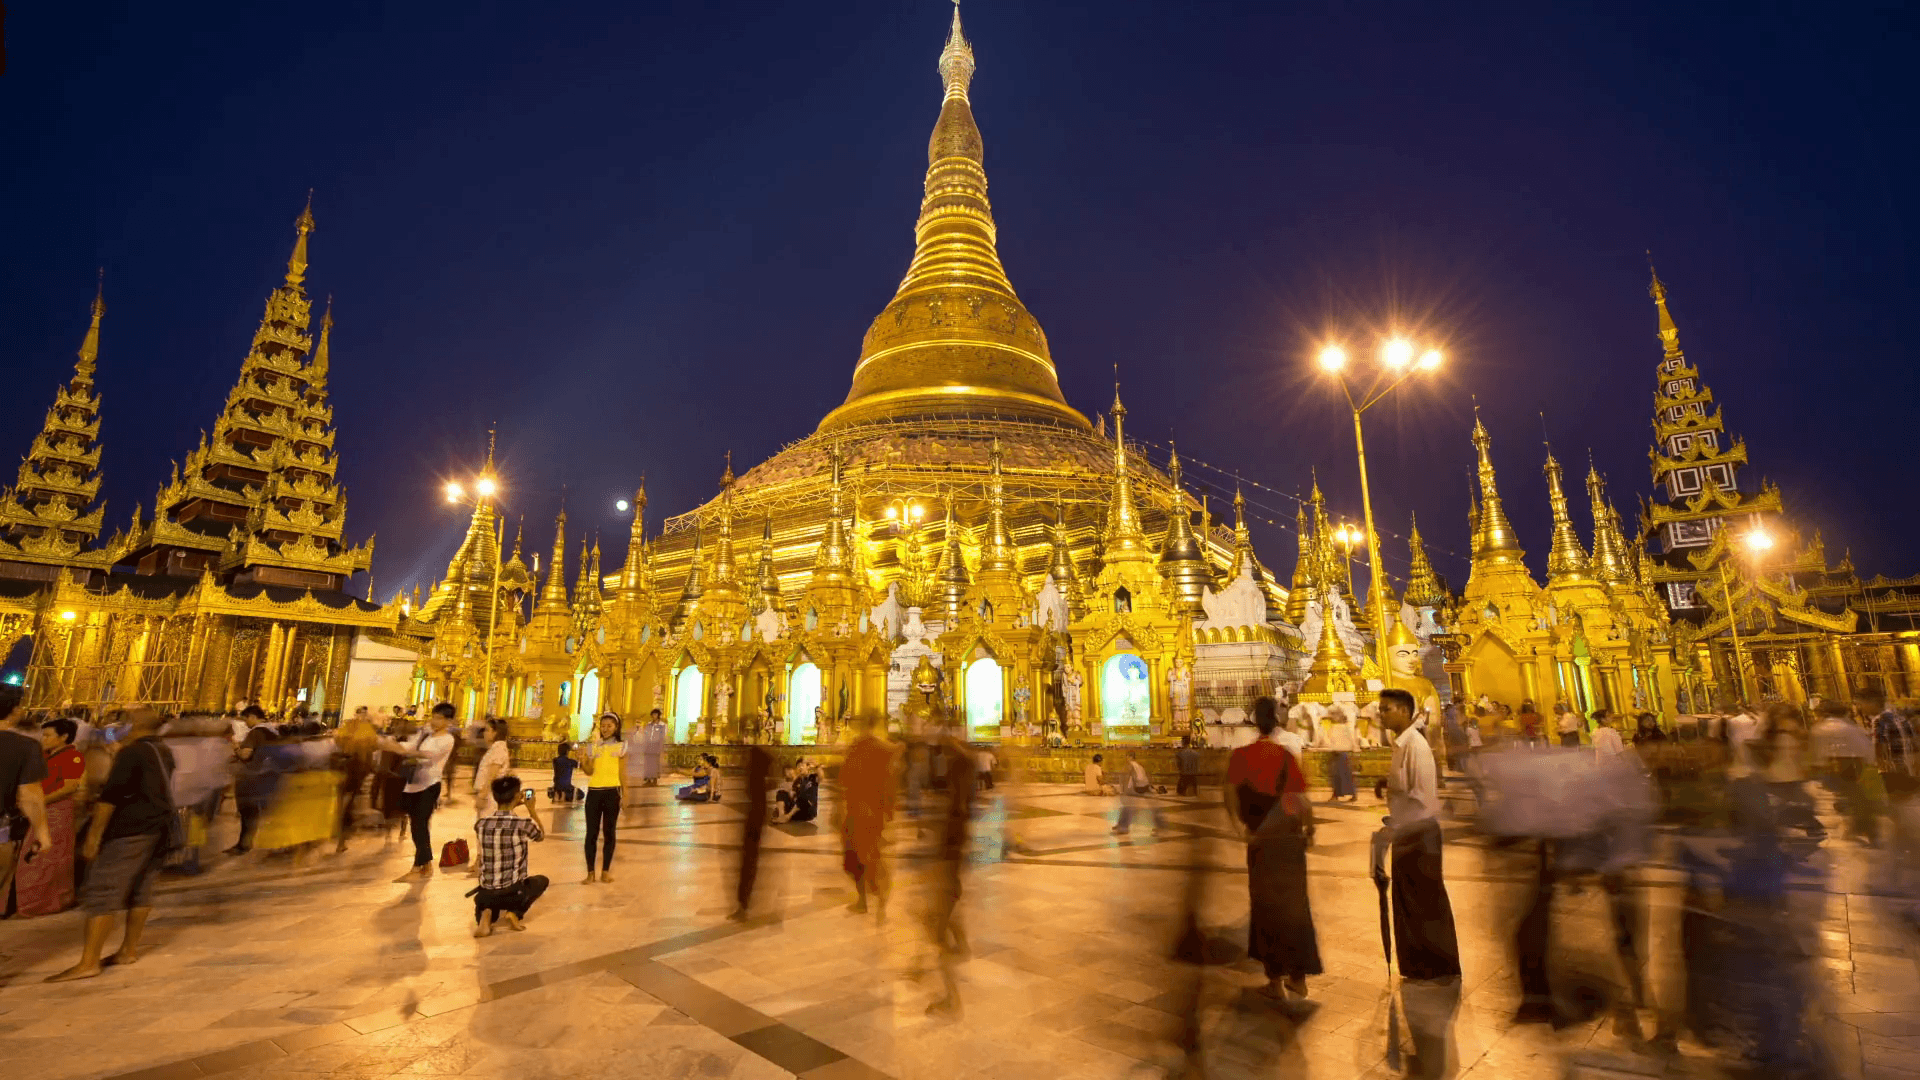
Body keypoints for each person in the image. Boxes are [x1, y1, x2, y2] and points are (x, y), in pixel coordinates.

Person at [47, 708, 173, 982]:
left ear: (134, 725)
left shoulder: (132, 753)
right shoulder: (162, 751)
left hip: (130, 829)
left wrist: (93, 837)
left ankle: (89, 961)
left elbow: (110, 797)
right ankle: (128, 950)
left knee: (103, 890)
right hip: (159, 827)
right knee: (141, 889)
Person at [1224, 695, 1319, 998]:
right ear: (1276, 720)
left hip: (1260, 840)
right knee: (1295, 906)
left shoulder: (1241, 755)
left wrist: (1240, 829)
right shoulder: (1286, 755)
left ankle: (1275, 980)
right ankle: (1299, 977)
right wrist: (1310, 828)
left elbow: (1228, 795)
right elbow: (1302, 800)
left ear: (1254, 721)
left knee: (1265, 906)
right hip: (1289, 840)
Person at [1379, 687, 1460, 979]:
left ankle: (1439, 967)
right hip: (1406, 832)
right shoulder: (1400, 745)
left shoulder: (1416, 745)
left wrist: (1398, 826)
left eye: (1386, 708)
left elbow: (1422, 798)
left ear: (1403, 710)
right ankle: (1419, 965)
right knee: (1409, 902)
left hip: (1419, 833)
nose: (1381, 714)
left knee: (1426, 902)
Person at [13, 718, 85, 915]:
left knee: (48, 856)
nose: (43, 739)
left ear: (64, 737)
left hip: (57, 809)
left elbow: (70, 786)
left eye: (48, 735)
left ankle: (47, 903)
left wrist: (42, 800)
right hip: (42, 808)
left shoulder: (73, 756)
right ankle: (35, 902)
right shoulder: (45, 756)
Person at [471, 775, 548, 937]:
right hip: (513, 893)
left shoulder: (481, 825)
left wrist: (511, 803)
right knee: (541, 881)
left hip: (485, 894)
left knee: (484, 901)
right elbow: (540, 835)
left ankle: (485, 916)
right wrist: (531, 809)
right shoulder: (523, 825)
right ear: (517, 796)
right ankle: (514, 913)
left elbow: (499, 822)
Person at [392, 704, 456, 884]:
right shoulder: (425, 734)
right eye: (434, 717)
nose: (434, 721)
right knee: (417, 826)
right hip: (413, 784)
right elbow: (410, 745)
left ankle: (417, 867)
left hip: (430, 785)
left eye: (439, 718)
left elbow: (428, 755)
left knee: (419, 825)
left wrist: (407, 750)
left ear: (448, 721)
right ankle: (426, 864)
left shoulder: (447, 739)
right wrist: (394, 745)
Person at [838, 714, 893, 914]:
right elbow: (890, 779)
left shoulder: (857, 747)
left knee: (855, 856)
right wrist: (889, 810)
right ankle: (878, 892)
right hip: (874, 811)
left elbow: (844, 777)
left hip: (857, 810)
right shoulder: (881, 748)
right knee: (871, 854)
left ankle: (864, 899)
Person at [1810, 698, 1879, 845]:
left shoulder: (1819, 729)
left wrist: (1817, 766)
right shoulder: (1850, 727)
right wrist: (1869, 762)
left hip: (1832, 767)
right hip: (1853, 766)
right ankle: (1862, 828)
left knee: (1848, 798)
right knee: (1854, 797)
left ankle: (1859, 827)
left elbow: (1816, 751)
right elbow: (1866, 748)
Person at [579, 713, 625, 883]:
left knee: (609, 832)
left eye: (609, 725)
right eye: (603, 726)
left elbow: (623, 772)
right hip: (594, 791)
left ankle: (605, 871)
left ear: (616, 727)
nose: (605, 729)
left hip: (612, 791)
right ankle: (590, 872)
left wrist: (625, 794)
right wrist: (583, 760)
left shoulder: (622, 746)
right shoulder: (593, 746)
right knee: (591, 832)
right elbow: (589, 771)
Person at [1862, 689, 1916, 797]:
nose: (1861, 708)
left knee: (1900, 805)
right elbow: (1914, 743)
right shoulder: (1900, 716)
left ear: (1872, 703)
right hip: (1909, 768)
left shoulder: (1878, 720)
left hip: (1893, 772)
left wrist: (1879, 769)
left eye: (1861, 704)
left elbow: (1879, 748)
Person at [1113, 751, 1161, 836]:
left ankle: (1123, 827)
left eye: (1127, 756)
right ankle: (1160, 826)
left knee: (1128, 806)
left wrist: (1124, 789)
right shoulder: (1139, 765)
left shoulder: (1130, 765)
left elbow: (1129, 777)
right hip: (1144, 786)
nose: (1126, 758)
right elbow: (1145, 776)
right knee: (1153, 807)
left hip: (1137, 787)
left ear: (1130, 757)